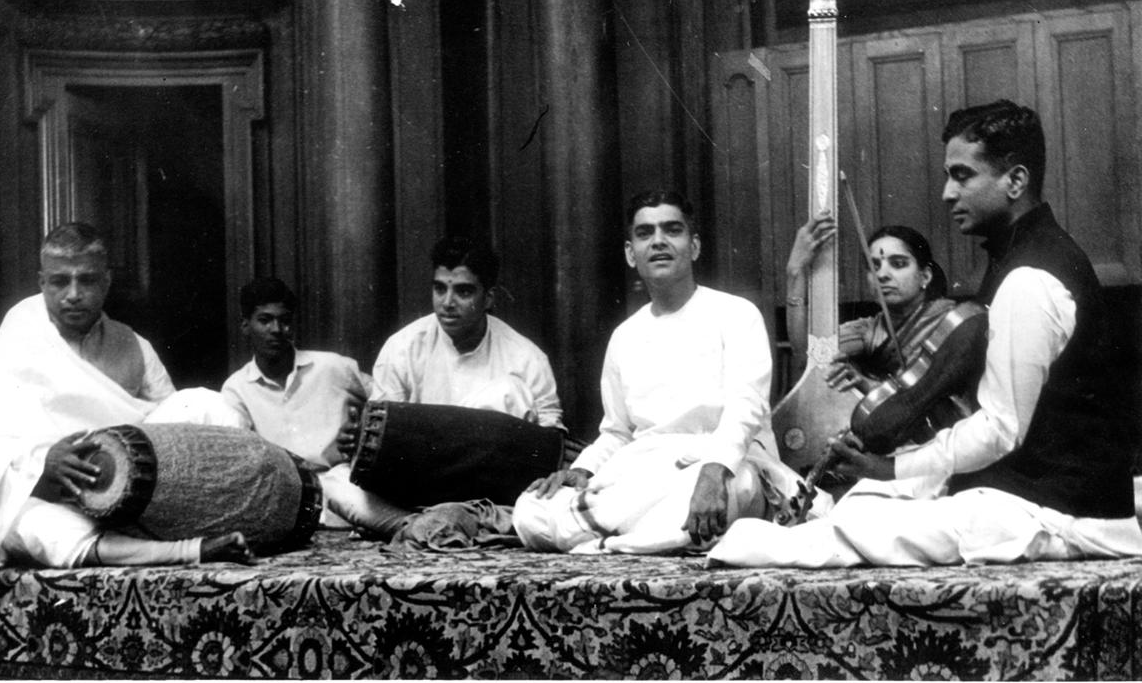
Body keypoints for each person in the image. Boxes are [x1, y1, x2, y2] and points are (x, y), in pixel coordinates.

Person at [710, 100, 1142, 567]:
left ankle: (752, 546)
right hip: (1029, 487)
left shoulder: (1030, 278)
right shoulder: (1015, 259)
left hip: (1061, 508)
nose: (946, 193)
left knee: (858, 524)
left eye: (962, 175)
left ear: (1015, 181)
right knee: (867, 499)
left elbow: (1000, 429)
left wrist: (893, 467)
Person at [0, 222, 253, 591]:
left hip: (131, 495)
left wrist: (126, 475)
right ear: (42, 282)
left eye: (86, 280)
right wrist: (41, 462)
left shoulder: (134, 346)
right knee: (33, 525)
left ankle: (246, 511)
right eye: (59, 281)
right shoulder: (13, 343)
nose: (73, 294)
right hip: (52, 499)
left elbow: (176, 433)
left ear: (106, 283)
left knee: (205, 402)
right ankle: (186, 550)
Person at [513, 190, 823, 555]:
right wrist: (582, 471)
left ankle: (607, 537)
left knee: (718, 490)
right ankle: (633, 539)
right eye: (645, 233)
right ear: (631, 254)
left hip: (727, 464)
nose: (658, 241)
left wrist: (714, 470)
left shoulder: (737, 314)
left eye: (671, 230)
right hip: (649, 469)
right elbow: (616, 432)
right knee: (529, 509)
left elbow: (746, 410)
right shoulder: (625, 337)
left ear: (693, 247)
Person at [786, 218, 976, 486]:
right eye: (874, 266)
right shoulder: (868, 330)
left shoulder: (953, 322)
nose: (883, 274)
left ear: (925, 276)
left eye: (898, 264)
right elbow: (807, 352)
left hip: (954, 453)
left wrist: (868, 386)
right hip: (894, 457)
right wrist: (795, 271)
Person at [220, 277, 410, 535]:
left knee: (353, 497)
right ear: (245, 326)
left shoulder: (333, 368)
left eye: (284, 320)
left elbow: (387, 402)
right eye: (264, 320)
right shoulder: (237, 389)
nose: (277, 329)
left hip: (340, 477)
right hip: (284, 491)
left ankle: (420, 529)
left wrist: (363, 429)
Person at [370, 235, 563, 428]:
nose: (447, 303)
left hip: (498, 456)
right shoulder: (402, 349)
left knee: (508, 390)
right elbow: (383, 430)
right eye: (440, 289)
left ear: (488, 298)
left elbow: (551, 437)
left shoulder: (527, 359)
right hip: (424, 456)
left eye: (463, 292)